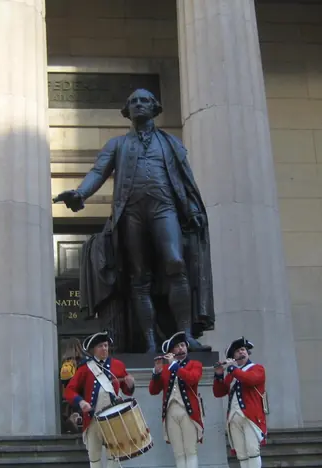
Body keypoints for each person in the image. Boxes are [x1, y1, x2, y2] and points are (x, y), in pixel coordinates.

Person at [53, 88, 214, 354]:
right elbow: (98, 172)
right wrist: (80, 193)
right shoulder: (117, 144)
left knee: (176, 262)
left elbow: (185, 179)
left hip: (165, 208)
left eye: (144, 101)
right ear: (127, 111)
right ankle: (149, 342)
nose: (139, 104)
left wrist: (193, 209)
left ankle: (184, 335)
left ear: (155, 108)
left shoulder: (170, 143)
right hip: (131, 213)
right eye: (133, 102)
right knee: (139, 277)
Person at [63, 332, 135, 468]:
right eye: (101, 346)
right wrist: (80, 401)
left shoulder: (118, 365)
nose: (104, 348)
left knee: (113, 454)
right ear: (94, 349)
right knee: (94, 456)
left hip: (113, 418)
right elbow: (69, 391)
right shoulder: (84, 369)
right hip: (93, 418)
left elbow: (127, 391)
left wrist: (130, 384)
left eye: (106, 345)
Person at [149, 332, 204, 468]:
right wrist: (157, 373)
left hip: (188, 412)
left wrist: (174, 366)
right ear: (171, 352)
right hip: (171, 413)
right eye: (177, 346)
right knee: (178, 452)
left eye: (182, 345)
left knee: (190, 450)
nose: (181, 348)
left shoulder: (195, 364)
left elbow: (192, 379)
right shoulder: (166, 369)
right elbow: (153, 390)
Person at [212, 337, 267, 468]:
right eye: (237, 351)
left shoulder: (257, 368)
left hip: (250, 416)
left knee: (252, 449)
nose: (241, 352)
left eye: (243, 349)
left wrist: (232, 368)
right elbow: (219, 392)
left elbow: (249, 380)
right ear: (233, 356)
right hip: (233, 416)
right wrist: (218, 374)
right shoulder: (232, 374)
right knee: (241, 453)